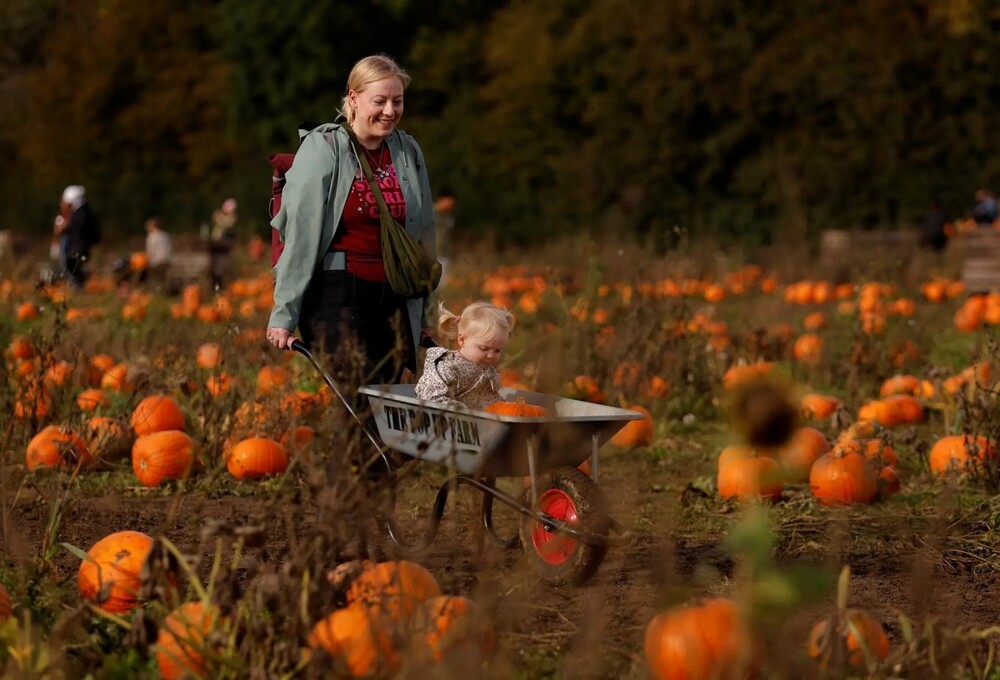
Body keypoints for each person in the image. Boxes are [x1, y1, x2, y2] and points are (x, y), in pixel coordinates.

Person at [266, 54, 438, 388]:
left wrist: (424, 316)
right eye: (380, 101)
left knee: (390, 404)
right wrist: (283, 313)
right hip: (337, 294)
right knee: (359, 395)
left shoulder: (408, 151)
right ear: (354, 98)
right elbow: (300, 238)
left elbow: (424, 239)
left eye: (397, 101)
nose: (390, 111)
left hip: (396, 296)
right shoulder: (324, 149)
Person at [414, 302, 514, 410]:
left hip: (474, 424)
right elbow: (431, 398)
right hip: (442, 422)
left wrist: (504, 410)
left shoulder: (489, 373)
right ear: (462, 340)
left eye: (497, 350)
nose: (491, 355)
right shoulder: (448, 367)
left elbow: (490, 400)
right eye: (484, 348)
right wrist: (466, 412)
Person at [55, 185, 100, 289]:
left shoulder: (81, 214)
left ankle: (79, 286)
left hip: (77, 247)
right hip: (78, 247)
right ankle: (80, 283)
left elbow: (78, 230)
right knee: (73, 268)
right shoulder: (82, 212)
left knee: (73, 268)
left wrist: (66, 227)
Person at [205, 198, 238, 288]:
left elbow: (226, 223)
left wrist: (218, 218)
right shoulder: (223, 218)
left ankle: (222, 286)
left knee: (221, 268)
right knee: (215, 268)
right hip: (216, 244)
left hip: (223, 246)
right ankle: (215, 286)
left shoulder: (231, 219)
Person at [144, 216, 172, 290]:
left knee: (145, 271)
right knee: (162, 276)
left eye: (148, 226)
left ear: (152, 226)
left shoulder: (151, 237)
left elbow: (150, 252)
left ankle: (153, 290)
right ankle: (162, 289)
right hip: (167, 261)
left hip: (157, 263)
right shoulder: (165, 235)